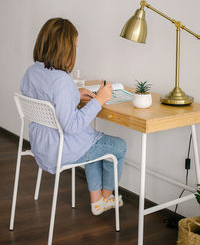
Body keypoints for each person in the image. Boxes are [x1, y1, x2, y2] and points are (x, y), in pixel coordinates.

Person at [20, 18, 127, 215]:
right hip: (60, 150)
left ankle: (97, 201)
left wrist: (75, 94)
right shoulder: (61, 80)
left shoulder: (31, 72)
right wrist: (99, 100)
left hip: (40, 146)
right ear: (65, 49)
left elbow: (45, 98)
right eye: (74, 47)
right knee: (118, 146)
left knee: (94, 142)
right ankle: (106, 198)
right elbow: (72, 126)